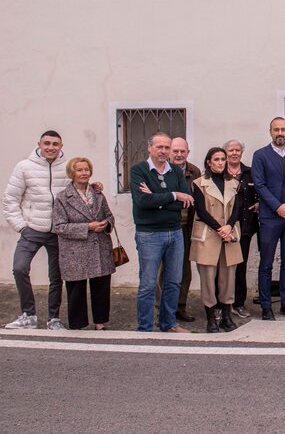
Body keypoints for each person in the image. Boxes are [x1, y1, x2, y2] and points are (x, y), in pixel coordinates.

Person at [3, 131, 71, 330]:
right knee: (19, 268)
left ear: (61, 146)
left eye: (55, 144)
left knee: (56, 277)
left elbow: (76, 191)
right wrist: (21, 226)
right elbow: (10, 199)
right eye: (47, 143)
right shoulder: (24, 167)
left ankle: (54, 318)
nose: (51, 147)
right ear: (39, 144)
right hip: (31, 229)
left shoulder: (67, 168)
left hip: (58, 232)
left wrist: (94, 186)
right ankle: (28, 315)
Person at [130, 132, 193, 333]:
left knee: (174, 282)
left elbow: (186, 203)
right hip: (149, 235)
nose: (164, 151)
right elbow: (142, 201)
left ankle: (168, 323)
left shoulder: (175, 171)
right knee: (148, 284)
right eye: (160, 147)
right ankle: (145, 327)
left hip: (175, 233)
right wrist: (173, 195)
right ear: (150, 148)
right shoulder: (138, 170)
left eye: (167, 147)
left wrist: (157, 198)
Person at [252, 117, 285, 321]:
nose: (280, 133)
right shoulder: (260, 155)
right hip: (270, 217)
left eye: (283, 129)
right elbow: (260, 184)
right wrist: (277, 206)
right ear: (270, 132)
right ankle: (266, 306)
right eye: (276, 130)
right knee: (266, 263)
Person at [53, 157, 115, 330]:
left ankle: (100, 323)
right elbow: (59, 226)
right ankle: (78, 325)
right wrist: (87, 227)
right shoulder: (63, 198)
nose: (83, 173)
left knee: (101, 287)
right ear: (71, 173)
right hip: (75, 250)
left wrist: (106, 223)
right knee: (76, 289)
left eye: (86, 169)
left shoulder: (97, 194)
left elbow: (109, 215)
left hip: (99, 246)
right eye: (79, 170)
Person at [190, 147, 243, 333]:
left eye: (223, 159)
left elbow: (237, 207)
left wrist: (229, 226)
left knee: (228, 278)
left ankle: (226, 315)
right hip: (208, 234)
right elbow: (201, 210)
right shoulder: (199, 183)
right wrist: (219, 228)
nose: (220, 162)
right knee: (208, 277)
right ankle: (211, 316)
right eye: (216, 159)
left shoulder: (234, 183)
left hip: (229, 234)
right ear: (208, 162)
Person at [159, 137, 202, 323]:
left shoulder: (194, 171)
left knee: (184, 271)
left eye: (182, 151)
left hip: (185, 227)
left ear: (187, 152)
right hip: (163, 226)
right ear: (169, 152)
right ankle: (161, 310)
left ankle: (180, 307)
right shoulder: (160, 170)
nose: (178, 155)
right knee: (162, 270)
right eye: (175, 151)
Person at [223, 139, 260, 319]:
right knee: (221, 267)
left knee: (240, 266)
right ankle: (220, 305)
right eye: (231, 150)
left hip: (244, 228)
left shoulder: (250, 173)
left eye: (238, 150)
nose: (235, 153)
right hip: (223, 229)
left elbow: (261, 191)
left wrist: (260, 202)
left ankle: (238, 303)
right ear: (225, 152)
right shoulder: (219, 173)